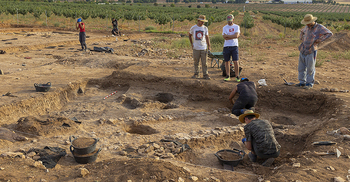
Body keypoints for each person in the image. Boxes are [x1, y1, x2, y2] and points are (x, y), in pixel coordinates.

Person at [296, 14, 332, 89]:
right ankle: (302, 82)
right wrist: (301, 37)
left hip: (311, 50)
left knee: (310, 68)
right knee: (301, 67)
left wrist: (319, 40)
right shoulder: (306, 27)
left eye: (308, 22)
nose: (307, 24)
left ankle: (309, 83)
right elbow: (302, 31)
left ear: (312, 21)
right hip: (303, 49)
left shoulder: (319, 27)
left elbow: (329, 33)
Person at [189, 15, 211, 80]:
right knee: (196, 62)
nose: (203, 23)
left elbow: (207, 37)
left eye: (204, 21)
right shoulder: (193, 28)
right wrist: (192, 44)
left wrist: (209, 46)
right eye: (202, 21)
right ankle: (196, 74)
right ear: (198, 21)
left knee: (205, 62)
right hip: (196, 48)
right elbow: (189, 35)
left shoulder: (205, 28)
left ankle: (205, 74)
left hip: (203, 47)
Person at [222, 14, 240, 82]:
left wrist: (228, 36)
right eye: (228, 21)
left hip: (234, 46)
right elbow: (224, 37)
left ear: (233, 20)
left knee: (236, 61)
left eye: (230, 21)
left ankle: (237, 76)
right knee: (227, 62)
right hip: (226, 46)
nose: (229, 22)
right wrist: (233, 36)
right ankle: (227, 75)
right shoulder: (224, 27)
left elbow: (237, 35)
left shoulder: (237, 26)